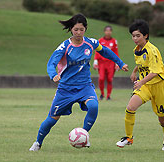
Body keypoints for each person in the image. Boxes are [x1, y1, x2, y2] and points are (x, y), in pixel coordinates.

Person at [29, 13, 128, 151]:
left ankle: (83, 135)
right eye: (76, 29)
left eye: (81, 29)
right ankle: (38, 143)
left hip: (84, 86)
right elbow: (51, 63)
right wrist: (53, 75)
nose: (78, 32)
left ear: (85, 29)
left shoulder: (91, 43)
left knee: (93, 106)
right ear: (71, 29)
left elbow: (105, 51)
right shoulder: (65, 46)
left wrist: (120, 62)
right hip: (66, 89)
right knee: (52, 119)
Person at [116, 20, 164, 151]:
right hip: (146, 86)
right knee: (130, 107)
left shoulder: (152, 50)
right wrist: (135, 71)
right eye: (133, 36)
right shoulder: (137, 49)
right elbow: (142, 62)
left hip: (160, 86)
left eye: (138, 36)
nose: (135, 39)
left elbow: (155, 71)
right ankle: (129, 138)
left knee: (163, 119)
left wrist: (141, 81)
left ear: (145, 35)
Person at [93, 26, 119, 100]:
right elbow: (97, 52)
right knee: (101, 78)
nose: (108, 32)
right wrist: (95, 61)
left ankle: (108, 95)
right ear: (104, 32)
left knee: (110, 79)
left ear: (111, 32)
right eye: (107, 31)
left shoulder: (114, 41)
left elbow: (116, 53)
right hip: (102, 63)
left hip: (110, 63)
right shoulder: (100, 40)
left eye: (109, 31)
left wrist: (117, 63)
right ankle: (102, 94)